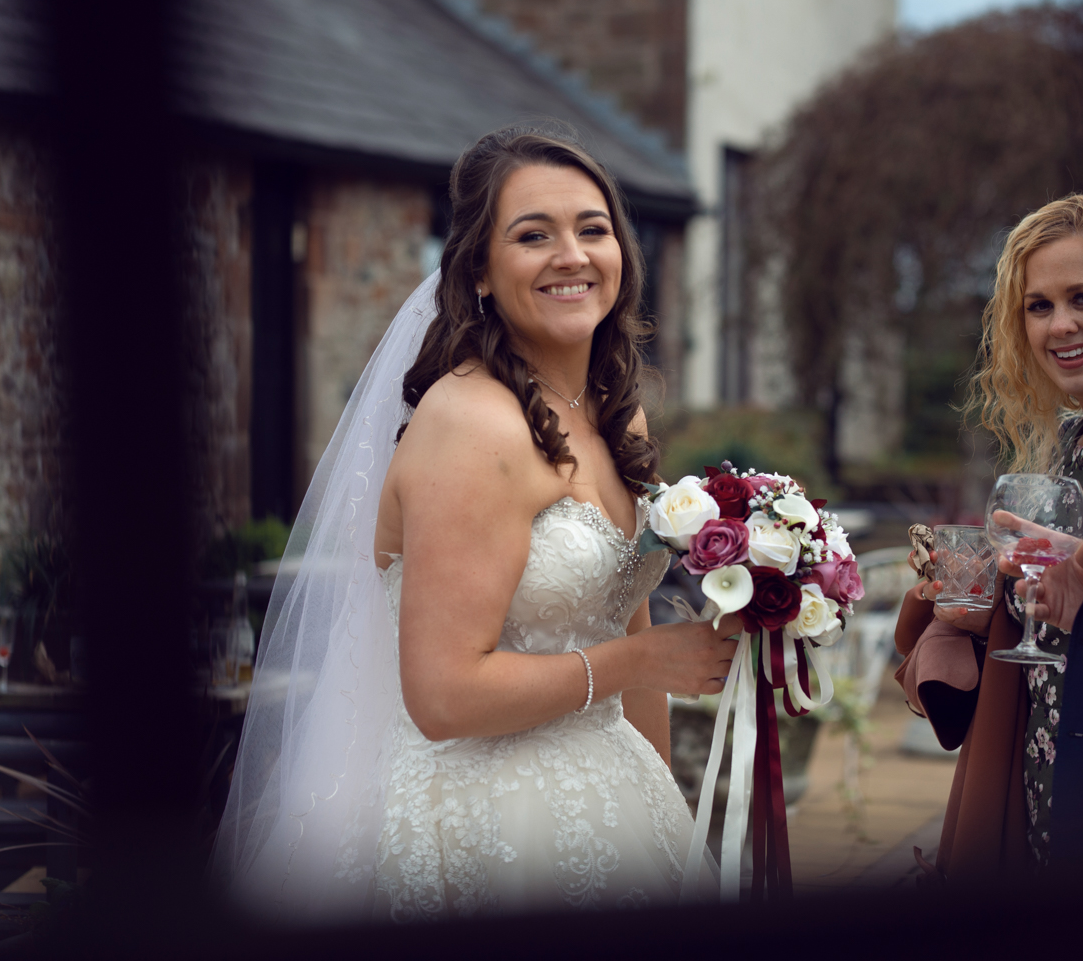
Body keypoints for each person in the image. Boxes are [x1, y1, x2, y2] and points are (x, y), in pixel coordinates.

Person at [213, 126, 731, 923]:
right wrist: (637, 663)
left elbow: (628, 625)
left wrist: (661, 804)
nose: (572, 255)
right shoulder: (471, 425)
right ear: (479, 273)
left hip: (614, 799)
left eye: (592, 229)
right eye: (533, 235)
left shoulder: (614, 420)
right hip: (482, 820)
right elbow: (444, 696)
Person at [892, 193, 1083, 881]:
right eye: (1037, 306)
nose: (1059, 325)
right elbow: (1033, 628)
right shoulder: (1057, 452)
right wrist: (962, 592)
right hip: (1037, 791)